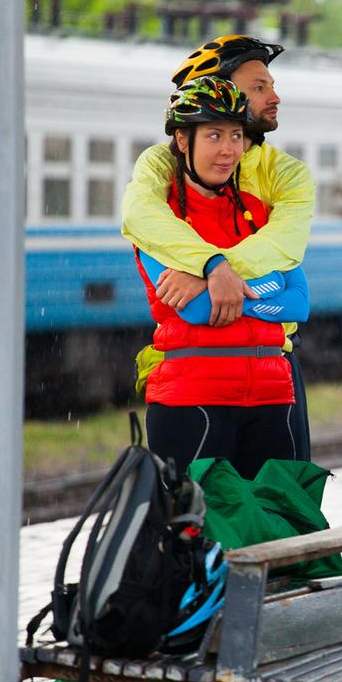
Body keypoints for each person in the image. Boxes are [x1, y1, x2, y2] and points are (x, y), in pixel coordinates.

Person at [122, 34, 316, 459]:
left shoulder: (285, 176)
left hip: (272, 367)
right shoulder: (162, 165)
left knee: (287, 494)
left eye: (235, 136)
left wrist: (214, 275)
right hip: (196, 379)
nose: (274, 97)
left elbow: (292, 272)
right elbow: (141, 216)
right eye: (258, 87)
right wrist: (218, 269)